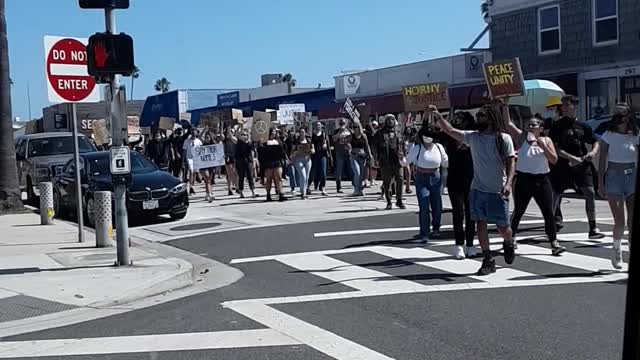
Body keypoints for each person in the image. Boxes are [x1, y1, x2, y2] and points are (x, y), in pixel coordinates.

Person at [433, 104, 516, 276]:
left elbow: (511, 162)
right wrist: (438, 116)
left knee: (503, 227)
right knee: (480, 225)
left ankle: (508, 241)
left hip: (498, 190)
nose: (478, 119)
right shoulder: (473, 137)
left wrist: (508, 183)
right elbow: (449, 130)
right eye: (477, 116)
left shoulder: (503, 139)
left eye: (482, 116)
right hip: (478, 189)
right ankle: (487, 259)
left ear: (491, 119)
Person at [504, 112, 566, 256]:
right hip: (523, 180)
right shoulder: (522, 138)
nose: (531, 127)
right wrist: (505, 106)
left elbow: (554, 160)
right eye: (529, 124)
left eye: (534, 125)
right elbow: (508, 124)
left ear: (541, 128)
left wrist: (544, 147)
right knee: (519, 211)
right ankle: (511, 238)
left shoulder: (546, 140)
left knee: (548, 213)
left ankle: (554, 243)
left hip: (542, 180)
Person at [549, 95, 604, 239]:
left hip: (581, 164)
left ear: (574, 106)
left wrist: (593, 152)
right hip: (562, 165)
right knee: (556, 194)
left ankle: (593, 227)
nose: (564, 108)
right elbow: (555, 147)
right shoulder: (557, 126)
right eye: (563, 105)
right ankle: (551, 224)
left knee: (590, 193)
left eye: (567, 105)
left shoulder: (583, 126)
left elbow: (595, 141)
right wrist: (570, 157)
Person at [597, 112, 638, 269]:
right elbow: (602, 161)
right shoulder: (609, 135)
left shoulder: (635, 134)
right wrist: (600, 183)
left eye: (626, 117)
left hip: (631, 175)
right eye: (621, 117)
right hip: (614, 176)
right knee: (619, 221)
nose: (624, 120)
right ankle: (616, 248)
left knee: (632, 221)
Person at [444, 111, 477, 258]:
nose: (458, 121)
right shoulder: (449, 137)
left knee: (471, 213)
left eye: (461, 119)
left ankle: (470, 244)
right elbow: (427, 132)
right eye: (456, 118)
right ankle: (458, 244)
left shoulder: (475, 136)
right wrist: (430, 116)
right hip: (454, 179)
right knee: (458, 212)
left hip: (472, 179)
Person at [407, 126, 448, 244]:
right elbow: (406, 161)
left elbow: (445, 161)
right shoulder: (417, 148)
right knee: (424, 205)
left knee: (437, 205)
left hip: (436, 177)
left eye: (430, 134)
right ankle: (424, 232)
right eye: (425, 134)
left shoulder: (439, 147)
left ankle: (436, 228)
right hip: (421, 178)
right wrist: (401, 158)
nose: (428, 137)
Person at [372, 114, 405, 210]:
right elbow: (374, 146)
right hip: (385, 160)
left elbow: (402, 145)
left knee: (400, 179)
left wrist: (403, 155)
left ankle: (399, 200)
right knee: (387, 182)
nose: (391, 121)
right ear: (385, 121)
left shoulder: (398, 132)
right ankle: (389, 201)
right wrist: (375, 158)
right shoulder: (379, 133)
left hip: (397, 161)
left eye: (392, 119)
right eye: (389, 119)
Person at [260, 129, 288, 202]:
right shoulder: (265, 142)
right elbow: (261, 153)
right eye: (273, 132)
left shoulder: (278, 141)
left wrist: (286, 159)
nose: (274, 134)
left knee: (278, 178)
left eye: (275, 132)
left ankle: (281, 194)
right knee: (269, 179)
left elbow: (282, 151)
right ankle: (268, 194)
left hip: (277, 161)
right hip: (268, 162)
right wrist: (261, 144)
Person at [350, 123, 373, 196]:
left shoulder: (364, 136)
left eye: (356, 127)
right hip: (354, 156)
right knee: (357, 173)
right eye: (353, 127)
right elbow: (345, 142)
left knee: (361, 175)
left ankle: (360, 190)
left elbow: (367, 146)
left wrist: (370, 155)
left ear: (359, 127)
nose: (354, 128)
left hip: (362, 156)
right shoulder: (352, 136)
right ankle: (356, 190)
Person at [291, 128, 314, 199]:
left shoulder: (309, 140)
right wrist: (295, 153)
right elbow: (292, 151)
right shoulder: (296, 141)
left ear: (305, 133)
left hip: (307, 159)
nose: (301, 133)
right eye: (300, 132)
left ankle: (303, 190)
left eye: (303, 132)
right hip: (299, 159)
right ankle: (303, 193)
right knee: (303, 175)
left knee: (307, 176)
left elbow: (313, 149)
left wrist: (311, 151)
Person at [332, 118, 353, 194]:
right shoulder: (336, 131)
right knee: (339, 170)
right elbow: (333, 139)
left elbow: (354, 139)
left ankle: (355, 184)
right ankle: (338, 187)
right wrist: (339, 132)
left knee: (351, 169)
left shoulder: (349, 131)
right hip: (339, 153)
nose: (342, 125)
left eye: (343, 123)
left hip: (348, 152)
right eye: (341, 124)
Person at [235, 131, 257, 198]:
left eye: (245, 135)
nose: (244, 136)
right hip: (240, 161)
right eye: (242, 135)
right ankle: (241, 192)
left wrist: (254, 163)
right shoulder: (238, 142)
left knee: (250, 176)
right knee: (241, 177)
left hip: (248, 161)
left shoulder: (250, 143)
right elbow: (233, 136)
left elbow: (252, 152)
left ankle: (253, 192)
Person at [310, 122, 329, 196]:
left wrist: (325, 145)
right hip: (314, 155)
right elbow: (311, 142)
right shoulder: (313, 134)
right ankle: (309, 185)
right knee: (313, 171)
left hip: (322, 155)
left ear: (321, 126)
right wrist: (312, 148)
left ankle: (323, 188)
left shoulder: (323, 134)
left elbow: (325, 142)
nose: (318, 126)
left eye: (319, 125)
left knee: (323, 172)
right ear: (314, 126)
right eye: (317, 125)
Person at [182, 129, 202, 195]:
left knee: (195, 173)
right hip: (189, 158)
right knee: (191, 171)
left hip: (196, 159)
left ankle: (192, 186)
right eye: (192, 133)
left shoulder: (198, 141)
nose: (193, 134)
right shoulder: (186, 141)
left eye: (195, 133)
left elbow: (201, 150)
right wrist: (183, 160)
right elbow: (184, 151)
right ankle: (190, 187)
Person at [198, 131, 216, 202]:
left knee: (209, 180)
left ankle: (208, 193)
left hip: (211, 165)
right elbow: (199, 137)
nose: (206, 138)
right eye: (205, 137)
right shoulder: (203, 144)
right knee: (207, 178)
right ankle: (209, 194)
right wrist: (204, 129)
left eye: (208, 137)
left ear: (211, 137)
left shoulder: (214, 145)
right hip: (203, 165)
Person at [223, 127, 239, 196]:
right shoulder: (225, 140)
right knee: (229, 174)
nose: (230, 133)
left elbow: (234, 140)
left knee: (236, 173)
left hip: (235, 157)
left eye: (232, 132)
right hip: (227, 157)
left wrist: (229, 129)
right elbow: (221, 134)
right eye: (229, 132)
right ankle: (230, 189)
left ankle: (237, 186)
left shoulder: (235, 139)